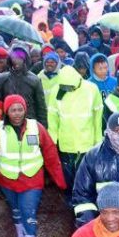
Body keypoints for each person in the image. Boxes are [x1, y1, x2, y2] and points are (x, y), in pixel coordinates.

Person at [0, 95, 66, 237]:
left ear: (25, 110)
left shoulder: (36, 127)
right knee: (16, 210)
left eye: (20, 109)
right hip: (8, 180)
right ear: (7, 111)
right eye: (13, 110)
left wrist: (59, 179)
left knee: (29, 211)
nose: (17, 113)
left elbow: (50, 154)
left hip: (32, 179)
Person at [49, 65, 104, 201]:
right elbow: (52, 117)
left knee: (86, 173)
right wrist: (52, 141)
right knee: (68, 174)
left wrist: (98, 140)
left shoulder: (91, 89)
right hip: (66, 142)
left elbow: (98, 117)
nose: (67, 90)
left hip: (87, 141)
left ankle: (86, 198)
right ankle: (71, 198)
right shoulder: (57, 91)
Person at [0, 46, 48, 127]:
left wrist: (43, 128)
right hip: (7, 123)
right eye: (14, 58)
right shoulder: (2, 79)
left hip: (29, 123)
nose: (17, 61)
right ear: (10, 60)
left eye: (20, 58)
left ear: (25, 59)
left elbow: (41, 107)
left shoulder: (34, 80)